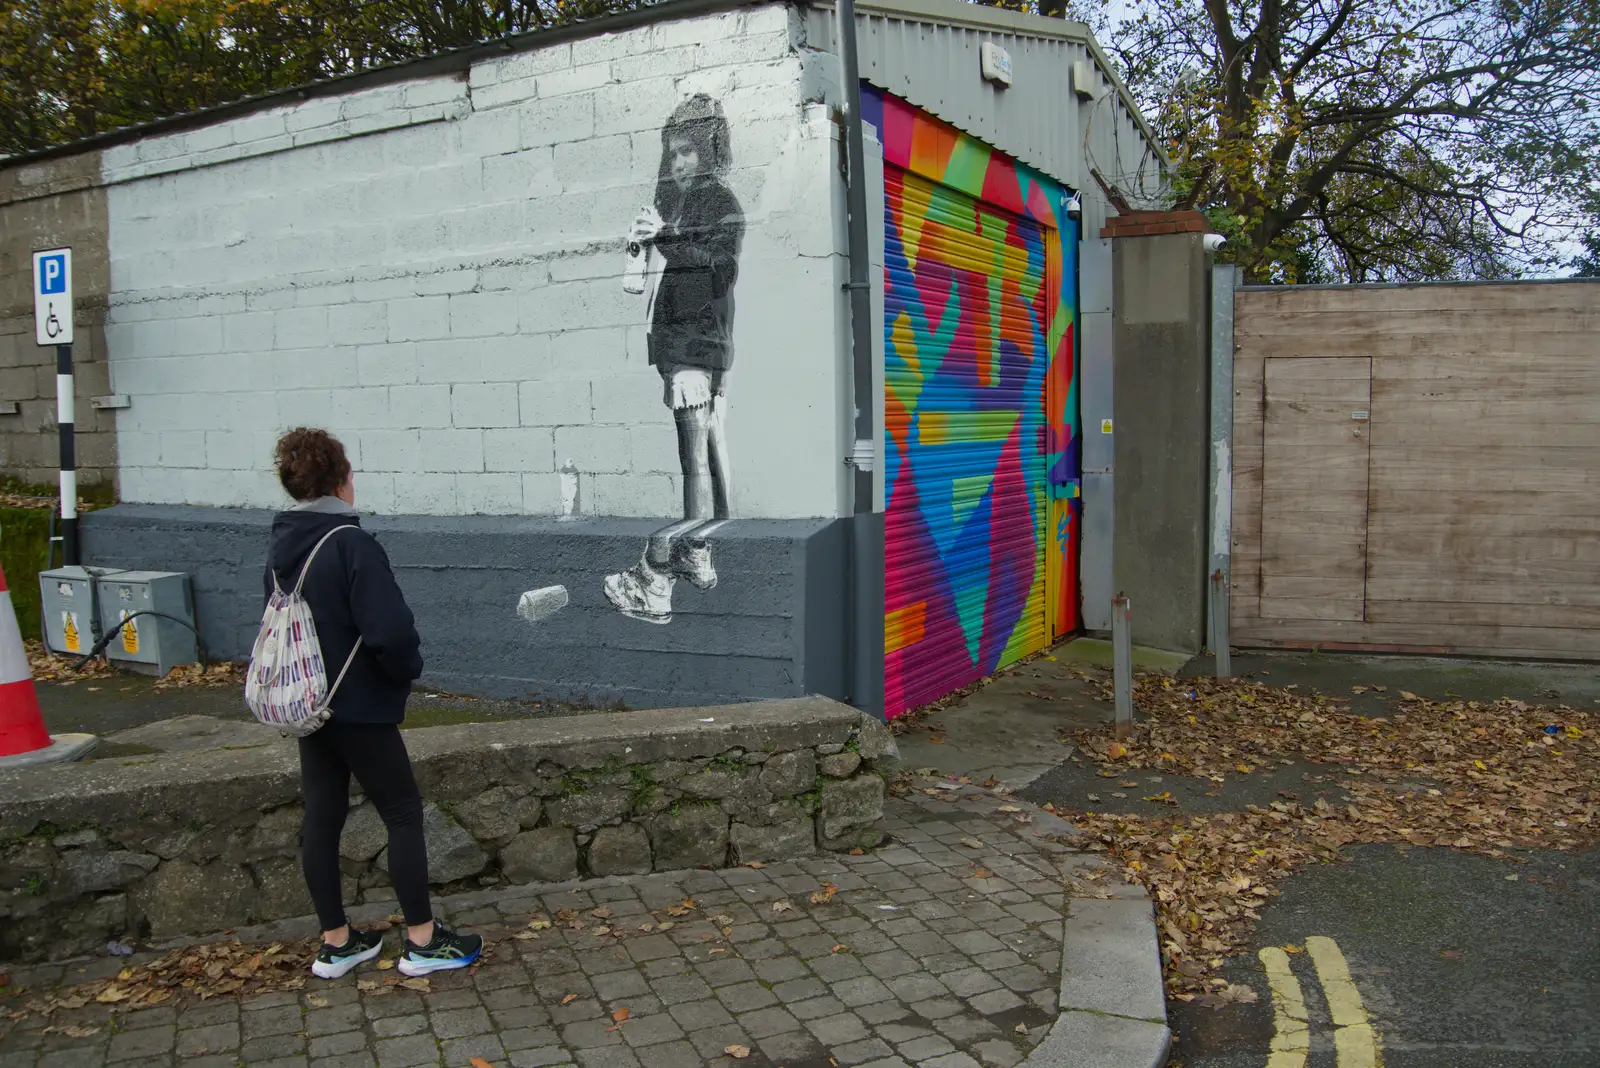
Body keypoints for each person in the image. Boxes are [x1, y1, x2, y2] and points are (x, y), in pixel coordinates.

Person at [265, 427, 481, 979]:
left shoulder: (282, 546)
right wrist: (404, 673)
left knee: (323, 817)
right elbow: (390, 632)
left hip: (311, 704)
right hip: (359, 705)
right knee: (403, 814)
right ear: (342, 479)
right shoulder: (350, 543)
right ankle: (423, 942)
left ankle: (337, 943)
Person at [604, 93, 745, 624]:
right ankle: (698, 555)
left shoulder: (720, 203)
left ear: (709, 151)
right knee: (699, 460)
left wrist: (664, 236)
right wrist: (641, 243)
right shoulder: (678, 207)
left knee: (695, 465)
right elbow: (644, 281)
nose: (679, 163)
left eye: (688, 151)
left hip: (694, 351)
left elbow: (717, 269)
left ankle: (657, 580)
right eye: (673, 153)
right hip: (686, 351)